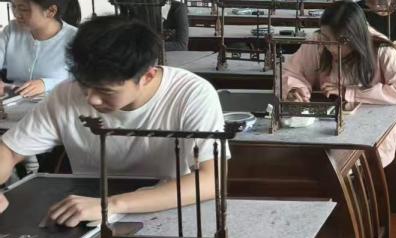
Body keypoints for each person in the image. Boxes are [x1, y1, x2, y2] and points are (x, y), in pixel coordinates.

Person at [0, 15, 227, 224]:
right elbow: (9, 150)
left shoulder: (191, 94)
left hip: (164, 210)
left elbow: (212, 180)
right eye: (85, 86)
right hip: (85, 211)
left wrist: (112, 204)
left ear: (147, 76)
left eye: (105, 91)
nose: (92, 99)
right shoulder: (67, 94)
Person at [283, 0, 396, 167]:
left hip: (369, 127)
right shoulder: (318, 41)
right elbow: (292, 71)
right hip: (325, 127)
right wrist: (294, 89)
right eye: (325, 38)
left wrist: (350, 92)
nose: (329, 47)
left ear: (353, 39)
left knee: (346, 165)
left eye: (336, 43)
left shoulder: (382, 49)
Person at [0, 0, 79, 98]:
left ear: (51, 11)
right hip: (13, 102)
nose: (16, 14)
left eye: (23, 9)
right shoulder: (11, 30)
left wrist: (47, 84)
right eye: (14, 7)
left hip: (57, 103)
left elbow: (85, 82)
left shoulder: (76, 39)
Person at [113, 0, 189, 52]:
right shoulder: (131, 11)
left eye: (132, 7)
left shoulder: (178, 9)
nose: (129, 12)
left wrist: (139, 46)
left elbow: (181, 46)